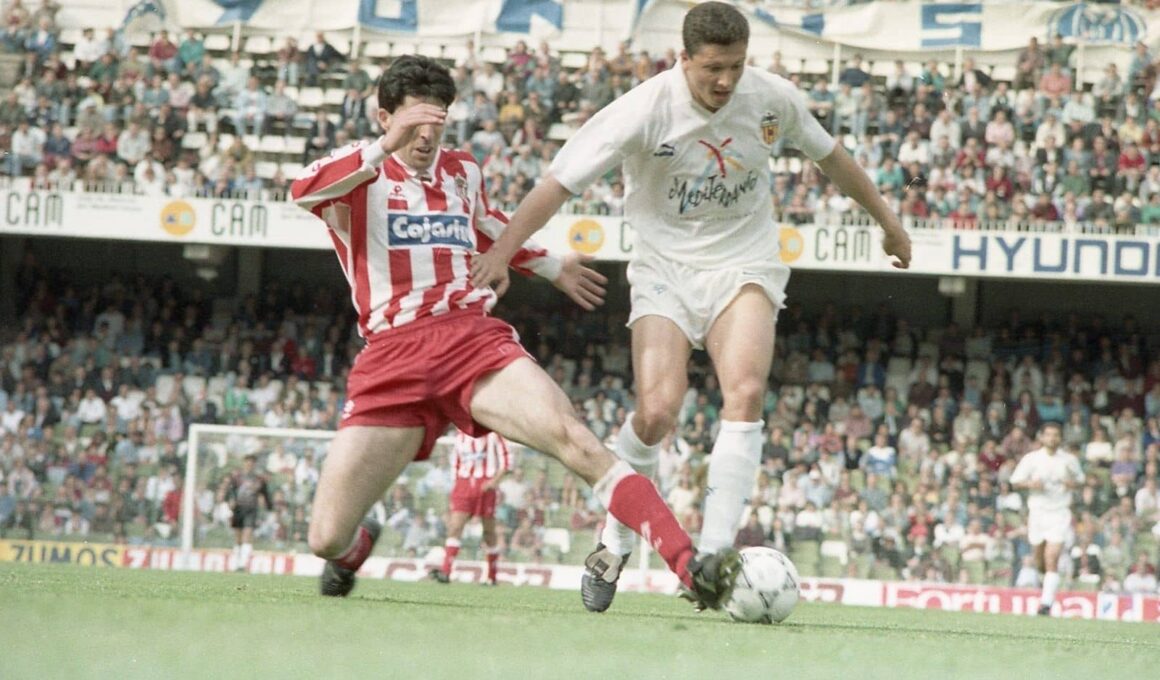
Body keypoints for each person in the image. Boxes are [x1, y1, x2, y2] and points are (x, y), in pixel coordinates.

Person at [469, 1, 911, 613]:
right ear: (683, 59)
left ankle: (712, 558)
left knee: (747, 392)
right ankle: (615, 538)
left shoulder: (772, 98)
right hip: (665, 272)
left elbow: (831, 157)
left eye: (735, 65)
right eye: (712, 69)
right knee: (656, 411)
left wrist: (888, 222)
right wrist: (502, 253)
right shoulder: (643, 109)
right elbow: (558, 182)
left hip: (744, 261)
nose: (726, 80)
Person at [289, 55, 739, 607]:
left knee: (574, 438)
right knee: (325, 537)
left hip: (469, 339)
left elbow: (489, 226)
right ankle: (355, 549)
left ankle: (689, 565)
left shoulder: (461, 172)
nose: (427, 138)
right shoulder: (360, 173)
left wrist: (552, 266)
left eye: (438, 125)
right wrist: (384, 148)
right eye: (413, 126)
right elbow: (302, 191)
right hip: (392, 356)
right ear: (384, 118)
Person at [1009, 422, 1084, 616]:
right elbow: (1015, 481)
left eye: (1056, 435)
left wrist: (1072, 483)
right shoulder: (1032, 459)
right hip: (1038, 513)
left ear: (1060, 438)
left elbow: (1081, 480)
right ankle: (1046, 584)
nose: (1052, 438)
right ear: (1041, 437)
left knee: (1052, 557)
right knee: (1040, 560)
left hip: (1059, 513)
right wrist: (1030, 483)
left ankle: (1046, 604)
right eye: (1048, 435)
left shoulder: (1068, 460)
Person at [430, 429, 511, 585]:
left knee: (488, 532)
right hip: (464, 485)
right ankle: (446, 571)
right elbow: (456, 463)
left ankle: (492, 576)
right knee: (455, 527)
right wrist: (455, 486)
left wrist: (494, 482)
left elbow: (507, 460)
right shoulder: (459, 437)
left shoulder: (493, 435)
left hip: (485, 485)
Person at [221, 454, 272, 572]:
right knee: (238, 537)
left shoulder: (259, 480)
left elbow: (265, 494)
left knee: (247, 534)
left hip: (251, 509)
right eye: (247, 462)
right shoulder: (237, 478)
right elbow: (231, 491)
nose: (249, 465)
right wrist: (229, 501)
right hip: (238, 509)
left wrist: (269, 507)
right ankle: (236, 562)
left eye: (252, 463)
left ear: (254, 464)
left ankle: (243, 564)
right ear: (244, 463)